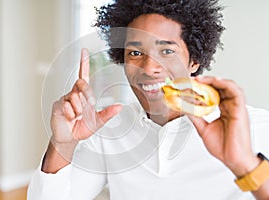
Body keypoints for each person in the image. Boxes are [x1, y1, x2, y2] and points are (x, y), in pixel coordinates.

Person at [27, 0, 269, 199]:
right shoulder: (110, 130)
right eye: (135, 52)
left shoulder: (256, 127)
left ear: (193, 60)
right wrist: (63, 144)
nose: (149, 67)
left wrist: (245, 165)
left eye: (167, 51)